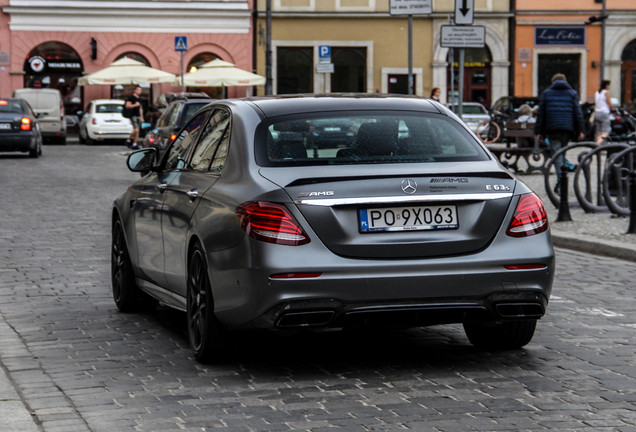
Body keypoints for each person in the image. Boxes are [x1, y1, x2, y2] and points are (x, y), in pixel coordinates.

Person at [535, 73, 585, 189]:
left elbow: (541, 115)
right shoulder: (572, 93)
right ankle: (561, 181)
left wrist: (539, 132)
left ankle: (561, 182)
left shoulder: (546, 94)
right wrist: (581, 130)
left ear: (553, 82)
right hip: (568, 129)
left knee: (557, 155)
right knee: (561, 153)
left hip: (552, 129)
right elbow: (578, 113)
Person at [594, 80, 613, 145]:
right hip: (604, 113)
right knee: (605, 131)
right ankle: (599, 144)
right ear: (606, 85)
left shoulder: (597, 92)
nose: (609, 86)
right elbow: (609, 103)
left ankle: (598, 147)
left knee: (599, 131)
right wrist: (611, 109)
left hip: (597, 113)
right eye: (609, 85)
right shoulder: (606, 92)